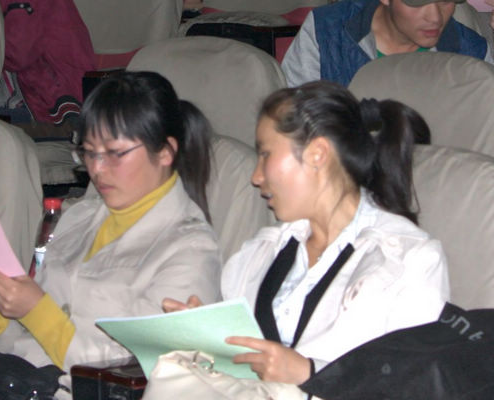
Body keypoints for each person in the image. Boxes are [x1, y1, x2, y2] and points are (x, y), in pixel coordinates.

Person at [164, 81, 449, 384]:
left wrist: (310, 373)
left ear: (317, 154)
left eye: (265, 155)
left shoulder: (410, 260)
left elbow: (412, 384)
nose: (256, 176)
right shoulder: (262, 252)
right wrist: (211, 337)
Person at [0, 71, 222, 377]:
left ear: (165, 152)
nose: (97, 169)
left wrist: (37, 311)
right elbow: (27, 345)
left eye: (115, 153)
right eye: (89, 153)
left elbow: (137, 370)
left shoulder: (191, 249)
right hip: (24, 382)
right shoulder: (78, 217)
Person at [281, 0, 494, 87]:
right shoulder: (326, 30)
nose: (435, 17)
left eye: (445, 1)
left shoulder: (472, 53)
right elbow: (293, 121)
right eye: (417, 2)